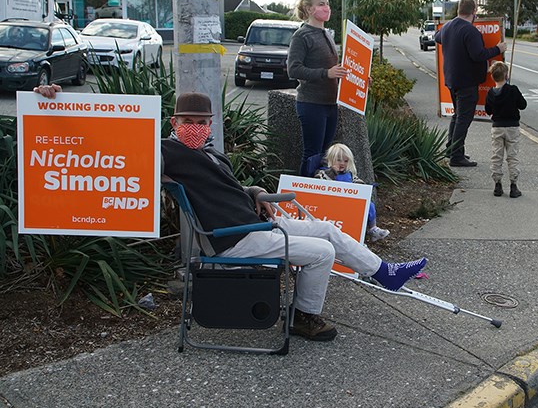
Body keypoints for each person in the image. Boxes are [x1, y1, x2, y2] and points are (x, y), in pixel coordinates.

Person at [34, 87, 427, 343]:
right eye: (188, 122)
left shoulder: (209, 151)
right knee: (322, 253)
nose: (196, 128)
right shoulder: (165, 153)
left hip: (254, 222)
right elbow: (107, 145)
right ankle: (303, 318)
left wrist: (255, 191)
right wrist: (53, 101)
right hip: (234, 238)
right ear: (173, 123)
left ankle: (384, 273)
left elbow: (229, 188)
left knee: (325, 227)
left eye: (203, 123)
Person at [434, 0, 507, 167]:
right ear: (474, 11)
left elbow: (438, 37)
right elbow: (478, 55)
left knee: (457, 116)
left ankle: (452, 149)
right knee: (463, 119)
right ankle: (456, 157)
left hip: (452, 79)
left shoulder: (448, 27)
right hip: (467, 82)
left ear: (459, 10)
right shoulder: (470, 31)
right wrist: (498, 49)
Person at [287, 0, 347, 176]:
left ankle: (317, 195)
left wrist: (357, 79)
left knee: (323, 156)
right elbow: (293, 70)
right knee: (311, 154)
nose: (326, 8)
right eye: (321, 4)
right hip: (311, 104)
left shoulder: (326, 33)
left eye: (327, 3)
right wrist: (326, 73)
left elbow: (333, 69)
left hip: (330, 104)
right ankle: (303, 197)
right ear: (309, 8)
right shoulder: (301, 35)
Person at [315, 142, 390, 242]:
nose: (342, 163)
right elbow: (318, 184)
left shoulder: (349, 173)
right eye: (338, 160)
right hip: (332, 203)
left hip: (349, 201)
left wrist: (361, 187)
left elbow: (357, 181)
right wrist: (332, 172)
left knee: (369, 205)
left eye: (345, 161)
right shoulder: (323, 172)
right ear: (330, 159)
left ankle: (373, 229)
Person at [484, 61, 527, 198]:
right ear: (506, 75)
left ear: (493, 77)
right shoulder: (512, 90)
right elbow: (523, 105)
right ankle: (513, 186)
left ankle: (497, 185)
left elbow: (487, 110)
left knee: (497, 156)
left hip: (497, 127)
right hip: (512, 127)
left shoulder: (490, 93)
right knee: (512, 157)